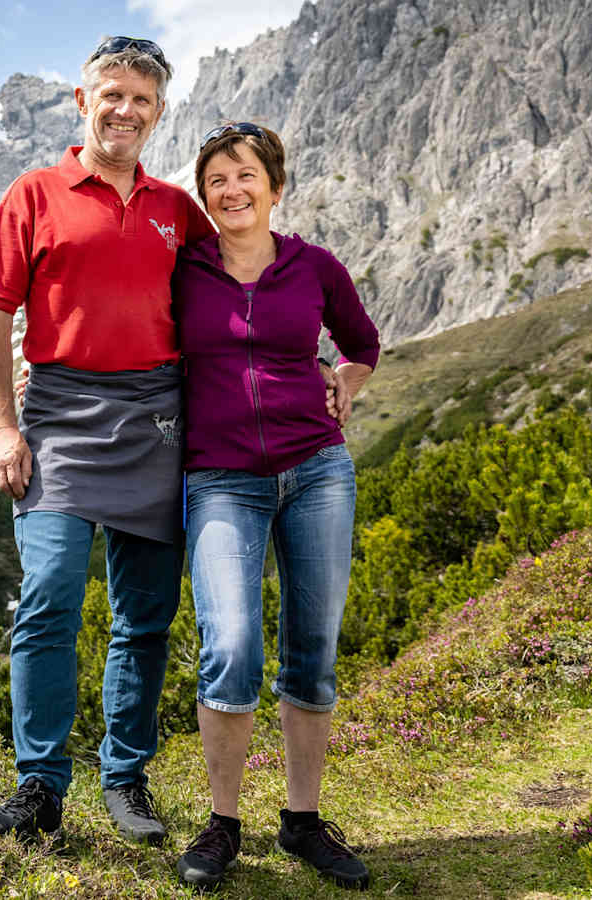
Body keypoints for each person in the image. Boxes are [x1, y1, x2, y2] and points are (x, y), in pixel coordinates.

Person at [0, 35, 214, 844]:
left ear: (159, 114)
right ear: (84, 103)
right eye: (112, 95)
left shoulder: (178, 209)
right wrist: (4, 426)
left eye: (142, 100)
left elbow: (230, 300)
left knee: (146, 618)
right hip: (60, 423)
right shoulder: (34, 193)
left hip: (157, 422)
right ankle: (40, 788)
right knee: (48, 602)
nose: (125, 110)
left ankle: (127, 780)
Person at [170, 122, 378, 890]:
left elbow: (361, 342)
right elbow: (129, 339)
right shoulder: (184, 270)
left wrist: (349, 379)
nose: (232, 189)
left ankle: (302, 822)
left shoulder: (314, 266)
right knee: (228, 643)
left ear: (275, 186)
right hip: (220, 477)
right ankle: (223, 823)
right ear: (205, 194)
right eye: (217, 179)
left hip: (317, 470)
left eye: (246, 175)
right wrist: (48, 383)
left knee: (312, 648)